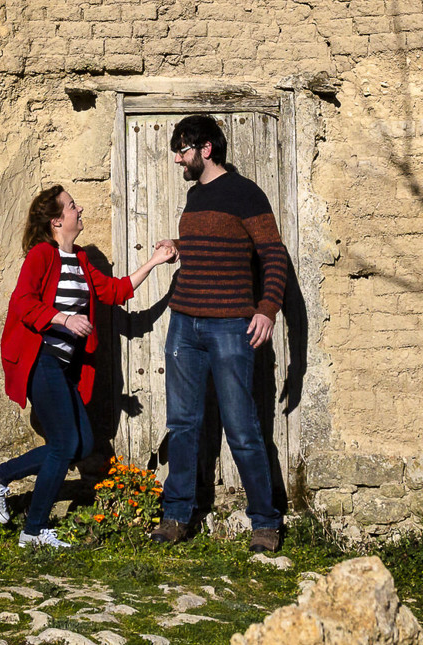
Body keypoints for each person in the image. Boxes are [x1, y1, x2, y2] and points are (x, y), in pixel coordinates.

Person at [0, 184, 177, 549]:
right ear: (57, 221)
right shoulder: (42, 255)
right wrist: (65, 320)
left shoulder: (82, 260)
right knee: (65, 442)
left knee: (82, 443)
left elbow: (115, 292)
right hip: (41, 360)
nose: (79, 208)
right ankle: (33, 530)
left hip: (65, 368)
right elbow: (22, 303)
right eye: (72, 206)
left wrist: (155, 263)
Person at [153, 114, 291, 552]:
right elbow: (211, 250)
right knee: (182, 424)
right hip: (184, 324)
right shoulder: (194, 198)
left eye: (183, 150)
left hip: (232, 325)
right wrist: (178, 249)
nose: (178, 159)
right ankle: (176, 516)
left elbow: (273, 254)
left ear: (206, 149)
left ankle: (265, 521)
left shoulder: (246, 193)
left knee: (242, 427)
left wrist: (268, 308)